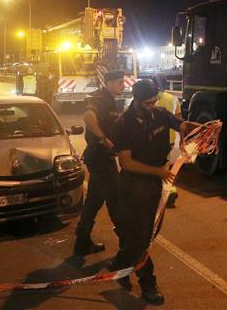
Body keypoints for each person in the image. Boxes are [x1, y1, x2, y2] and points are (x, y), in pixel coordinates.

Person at [109, 79, 199, 305]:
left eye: (154, 101)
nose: (152, 106)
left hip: (157, 182)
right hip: (135, 184)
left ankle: (120, 263)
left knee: (152, 230)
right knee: (142, 236)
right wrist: (157, 171)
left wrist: (203, 128)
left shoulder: (159, 114)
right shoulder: (123, 124)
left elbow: (181, 124)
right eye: (148, 103)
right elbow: (126, 163)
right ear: (136, 100)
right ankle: (148, 283)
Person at [73, 69, 126, 256]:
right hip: (101, 158)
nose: (123, 85)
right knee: (116, 198)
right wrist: (103, 138)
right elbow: (88, 116)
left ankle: (82, 241)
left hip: (100, 158)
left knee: (94, 200)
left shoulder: (110, 99)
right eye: (120, 82)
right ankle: (126, 243)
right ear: (109, 83)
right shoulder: (102, 98)